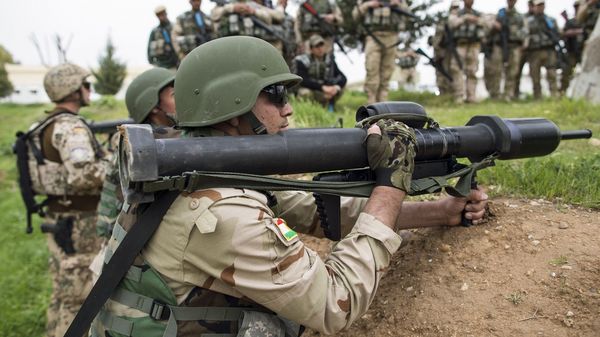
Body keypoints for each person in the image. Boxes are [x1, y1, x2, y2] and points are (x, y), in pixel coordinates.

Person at [92, 36, 488, 337]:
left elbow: (312, 211)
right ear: (232, 107)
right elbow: (335, 303)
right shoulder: (223, 215)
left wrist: (438, 212)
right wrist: (390, 187)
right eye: (275, 94)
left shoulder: (200, 166)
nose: (288, 108)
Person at [26, 63, 106, 337]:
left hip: (58, 217)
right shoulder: (70, 128)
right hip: (79, 223)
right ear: (73, 90)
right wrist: (118, 167)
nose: (89, 90)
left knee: (62, 289)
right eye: (86, 85)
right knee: (80, 294)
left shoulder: (43, 124)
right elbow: (83, 175)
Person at [94, 67, 177, 241]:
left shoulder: (165, 137)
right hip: (122, 240)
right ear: (153, 106)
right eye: (175, 95)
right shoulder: (139, 146)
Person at [353, 0, 412, 104]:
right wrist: (368, 5)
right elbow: (355, 15)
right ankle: (371, 103)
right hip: (373, 36)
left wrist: (399, 4)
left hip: (392, 37)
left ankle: (383, 103)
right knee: (372, 68)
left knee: (387, 71)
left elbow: (408, 14)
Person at [485, 0, 528, 101]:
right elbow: (487, 28)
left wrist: (513, 32)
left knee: (512, 72)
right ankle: (495, 95)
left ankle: (508, 95)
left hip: (514, 46)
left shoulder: (520, 17)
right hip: (499, 46)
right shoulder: (499, 14)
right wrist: (494, 25)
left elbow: (525, 32)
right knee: (496, 71)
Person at [293, 34, 347, 111]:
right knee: (305, 93)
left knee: (341, 88)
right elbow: (302, 80)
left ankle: (328, 106)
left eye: (321, 45)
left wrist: (336, 88)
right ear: (311, 49)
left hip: (325, 92)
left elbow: (343, 77)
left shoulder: (330, 61)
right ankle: (308, 110)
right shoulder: (302, 60)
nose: (320, 49)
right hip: (313, 90)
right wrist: (322, 87)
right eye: (317, 46)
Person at [448, 0, 485, 103]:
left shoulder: (478, 14)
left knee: (472, 70)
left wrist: (475, 20)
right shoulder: (457, 13)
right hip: (461, 44)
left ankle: (471, 96)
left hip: (474, 45)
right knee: (456, 68)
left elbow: (486, 23)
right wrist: (465, 18)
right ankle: (459, 96)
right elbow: (452, 23)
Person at [526, 0, 559, 99]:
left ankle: (554, 96)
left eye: (542, 5)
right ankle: (537, 97)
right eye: (538, 6)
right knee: (535, 75)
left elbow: (557, 34)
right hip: (534, 51)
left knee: (552, 73)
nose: (540, 7)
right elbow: (524, 35)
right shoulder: (528, 21)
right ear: (534, 7)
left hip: (549, 50)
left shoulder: (550, 20)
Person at [430, 0, 461, 96]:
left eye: (457, 8)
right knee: (441, 73)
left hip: (451, 51)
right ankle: (443, 93)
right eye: (454, 8)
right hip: (442, 50)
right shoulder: (444, 22)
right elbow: (437, 39)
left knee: (452, 71)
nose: (455, 10)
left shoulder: (459, 21)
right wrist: (438, 52)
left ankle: (451, 93)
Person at [561, 1, 585, 95]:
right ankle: (562, 92)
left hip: (583, 51)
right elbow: (564, 33)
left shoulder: (586, 21)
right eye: (576, 7)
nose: (577, 9)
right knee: (566, 73)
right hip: (571, 51)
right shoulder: (570, 22)